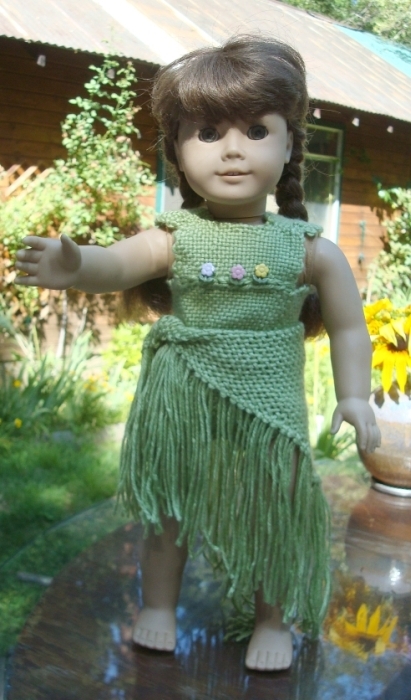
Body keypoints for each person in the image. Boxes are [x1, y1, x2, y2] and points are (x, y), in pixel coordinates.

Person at [15, 35, 380, 672]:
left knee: (273, 509)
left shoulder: (309, 250)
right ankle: (158, 607)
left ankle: (272, 619)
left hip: (271, 409)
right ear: (178, 153)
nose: (233, 149)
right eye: (208, 132)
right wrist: (76, 265)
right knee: (170, 507)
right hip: (184, 397)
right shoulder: (174, 237)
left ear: (289, 146)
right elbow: (116, 264)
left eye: (256, 130)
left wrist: (353, 395)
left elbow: (350, 329)